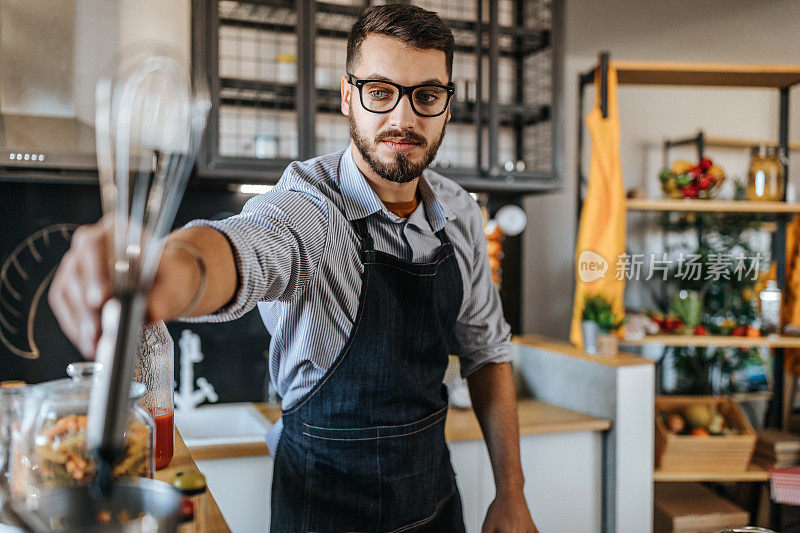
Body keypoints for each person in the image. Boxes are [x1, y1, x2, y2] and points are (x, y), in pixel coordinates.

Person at [48, 4, 538, 532]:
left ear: (447, 104)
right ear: (348, 95)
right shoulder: (309, 205)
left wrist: (510, 490)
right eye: (380, 91)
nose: (403, 118)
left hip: (436, 510)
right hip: (320, 518)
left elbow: (486, 352)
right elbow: (242, 247)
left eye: (426, 95)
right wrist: (169, 268)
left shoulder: (461, 213)